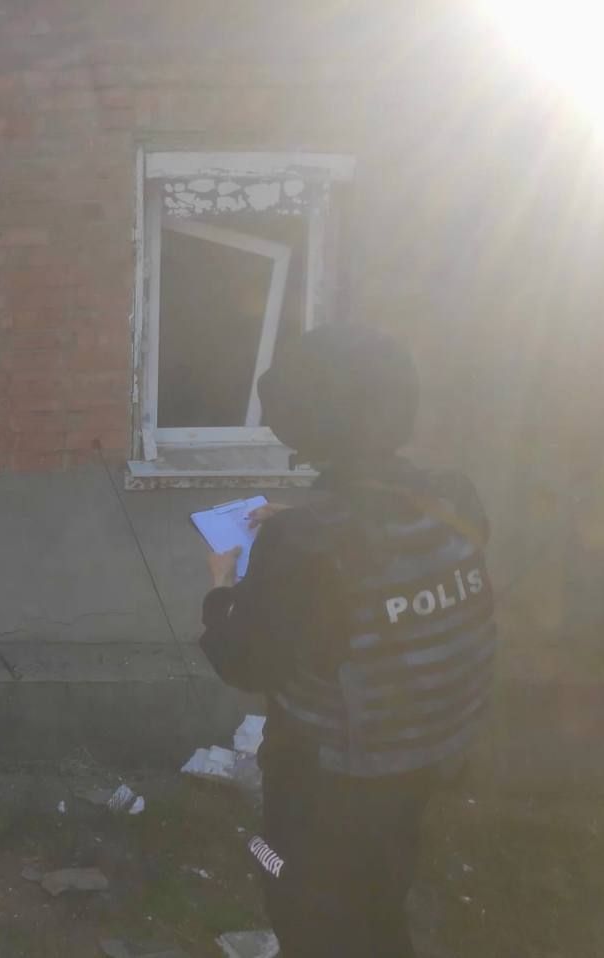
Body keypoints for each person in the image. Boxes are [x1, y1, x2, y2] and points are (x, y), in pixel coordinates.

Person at [198, 325, 495, 958]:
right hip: (422, 755)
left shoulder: (300, 546)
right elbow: (391, 541)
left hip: (326, 782)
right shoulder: (455, 497)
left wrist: (221, 588)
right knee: (380, 896)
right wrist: (305, 520)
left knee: (294, 893)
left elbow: (244, 662)